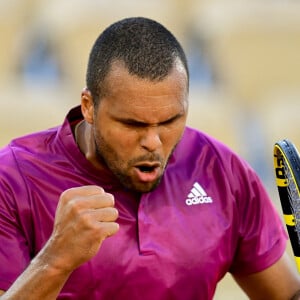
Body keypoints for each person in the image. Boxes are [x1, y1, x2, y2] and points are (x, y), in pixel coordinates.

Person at [0, 17, 299, 300]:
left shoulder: (223, 171)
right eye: (133, 124)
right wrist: (55, 259)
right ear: (89, 107)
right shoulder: (12, 178)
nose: (153, 143)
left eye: (171, 120)